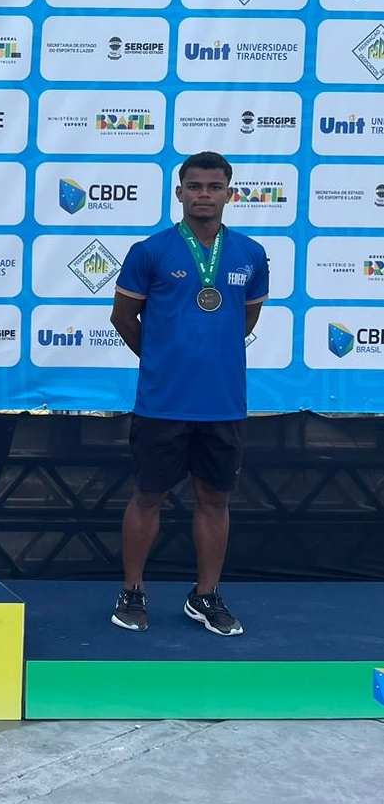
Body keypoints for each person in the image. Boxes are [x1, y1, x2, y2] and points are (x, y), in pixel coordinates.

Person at [108, 151, 268, 636]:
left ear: (229, 194)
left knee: (215, 500)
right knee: (149, 496)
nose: (204, 195)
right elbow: (122, 317)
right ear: (179, 193)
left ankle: (205, 595)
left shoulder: (250, 254)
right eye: (194, 186)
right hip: (163, 402)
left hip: (223, 402)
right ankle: (132, 591)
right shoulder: (149, 251)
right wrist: (161, 358)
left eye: (214, 187)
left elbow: (246, 319)